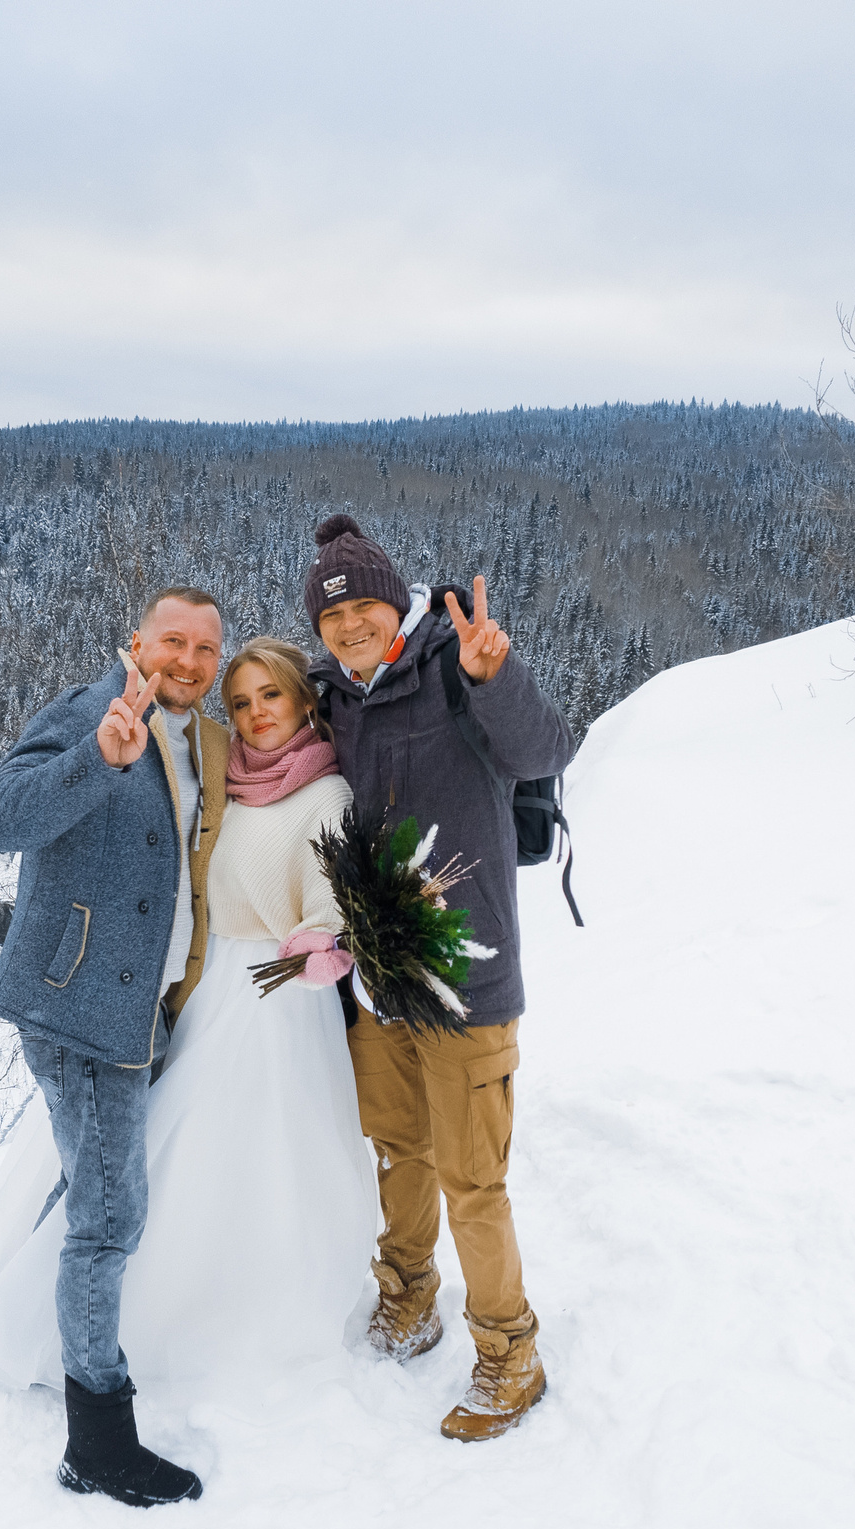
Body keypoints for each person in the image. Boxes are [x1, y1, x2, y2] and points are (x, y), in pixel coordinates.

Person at [0, 636, 375, 1404]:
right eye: (240, 702)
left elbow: (331, 900)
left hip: (274, 1009)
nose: (254, 715)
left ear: (305, 701)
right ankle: (90, 1323)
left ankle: (207, 1318)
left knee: (239, 1165)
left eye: (270, 696)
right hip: (201, 996)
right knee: (143, 1161)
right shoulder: (228, 778)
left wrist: (323, 942)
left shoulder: (326, 792)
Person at [302, 513, 577, 1443]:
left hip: (467, 975)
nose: (349, 629)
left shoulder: (454, 664)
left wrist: (496, 675)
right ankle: (408, 1299)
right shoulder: (333, 696)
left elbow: (543, 753)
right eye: (331, 620)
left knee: (473, 1181)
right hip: (380, 981)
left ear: (395, 600)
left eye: (363, 609)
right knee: (400, 1153)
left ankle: (510, 1355)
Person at [0, 587, 228, 1509]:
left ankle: (39, 1342)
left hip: (139, 1009)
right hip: (79, 1011)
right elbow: (1, 818)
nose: (186, 661)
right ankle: (99, 1439)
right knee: (110, 1216)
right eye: (171, 643)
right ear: (134, 643)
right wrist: (94, 760)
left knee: (90, 1193)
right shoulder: (94, 713)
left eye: (204, 648)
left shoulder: (194, 736)